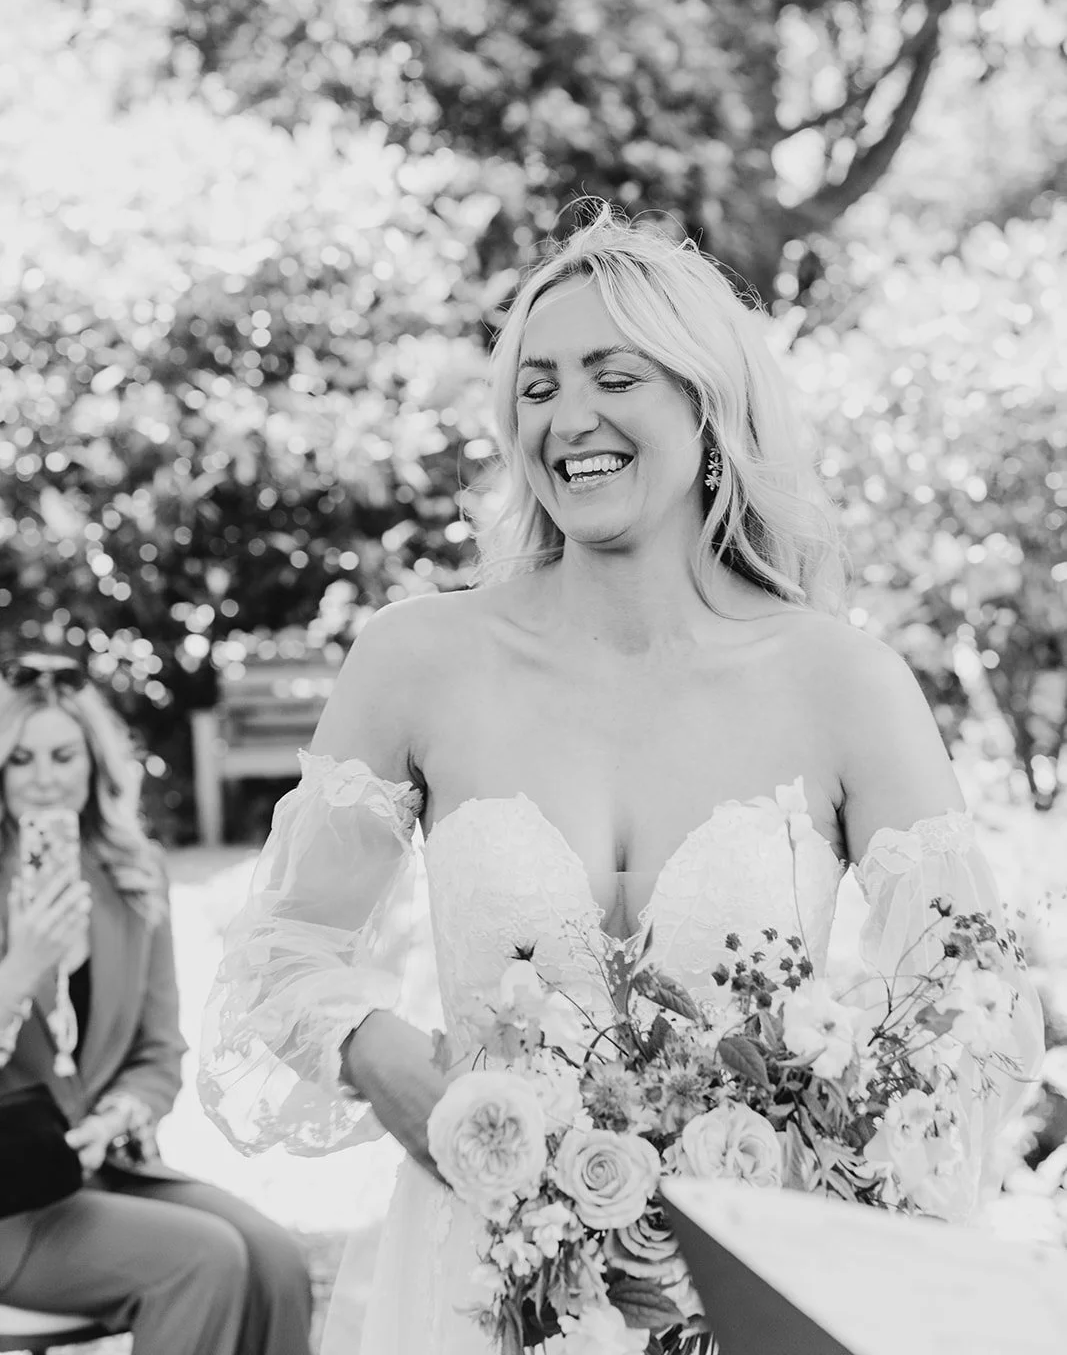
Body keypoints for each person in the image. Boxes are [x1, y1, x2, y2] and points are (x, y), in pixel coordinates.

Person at [199, 209, 1043, 1354]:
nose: (567, 418)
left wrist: (844, 1147)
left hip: (744, 1281)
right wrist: (371, 1047)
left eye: (613, 376)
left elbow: (975, 1001)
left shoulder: (841, 681)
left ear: (707, 411)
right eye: (537, 386)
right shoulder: (418, 659)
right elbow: (274, 954)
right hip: (475, 1273)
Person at [0, 651, 313, 1355]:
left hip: (103, 1167)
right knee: (202, 1261)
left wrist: (118, 1113)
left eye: (63, 755)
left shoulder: (133, 878)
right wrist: (20, 971)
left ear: (94, 765)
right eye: (20, 759)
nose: (45, 779)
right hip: (9, 1202)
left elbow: (156, 1050)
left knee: (275, 1264)